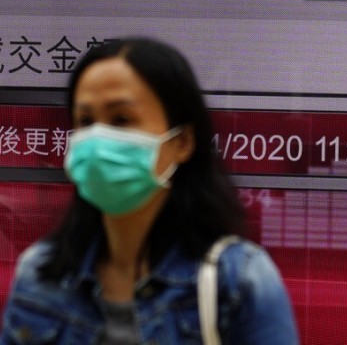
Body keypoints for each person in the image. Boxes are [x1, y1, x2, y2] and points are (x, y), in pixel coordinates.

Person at [1, 38, 299, 344]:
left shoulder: (239, 281)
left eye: (121, 120)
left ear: (182, 142)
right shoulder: (39, 275)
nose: (98, 138)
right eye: (85, 121)